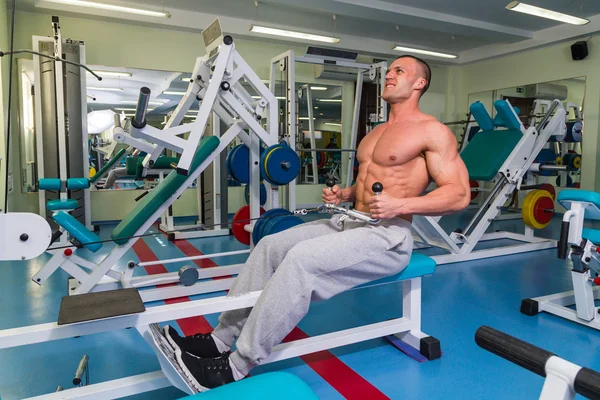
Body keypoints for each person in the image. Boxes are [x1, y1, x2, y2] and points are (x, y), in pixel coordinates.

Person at [161, 55, 472, 392]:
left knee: (301, 261)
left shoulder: (432, 131)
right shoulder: (378, 132)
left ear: (420, 83)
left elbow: (459, 195)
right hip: (350, 221)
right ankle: (220, 339)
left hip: (387, 236)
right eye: (390, 71)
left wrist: (401, 204)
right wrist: (346, 193)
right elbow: (371, 185)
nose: (390, 76)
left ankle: (236, 366)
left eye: (400, 71)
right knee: (270, 246)